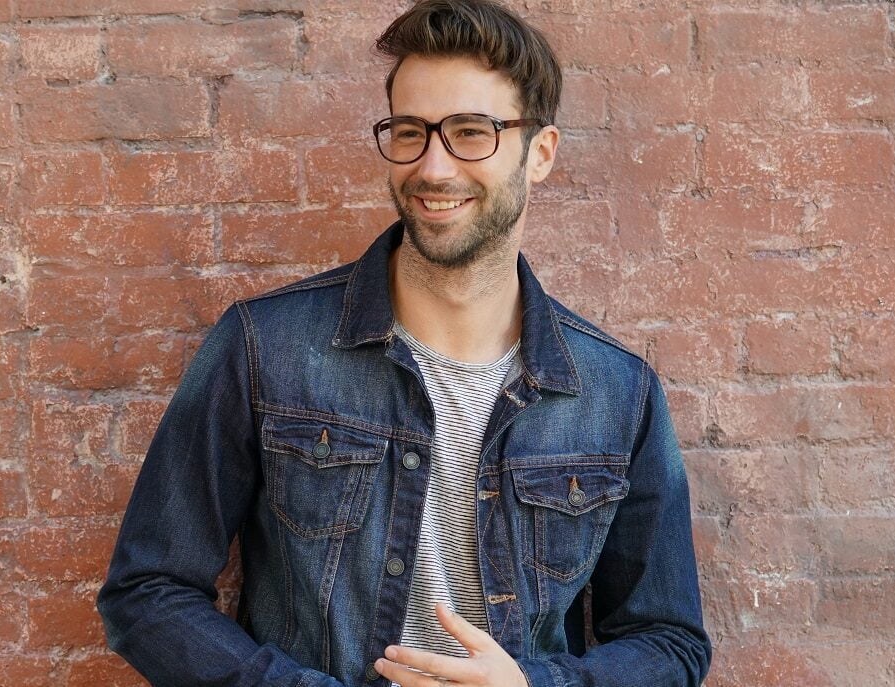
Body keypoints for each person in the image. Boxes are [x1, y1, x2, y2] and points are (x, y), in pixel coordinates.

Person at [96, 1, 712, 685]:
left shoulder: (616, 392)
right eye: (411, 131)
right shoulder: (264, 348)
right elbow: (146, 592)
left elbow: (669, 641)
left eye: (472, 132)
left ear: (540, 154)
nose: (433, 167)